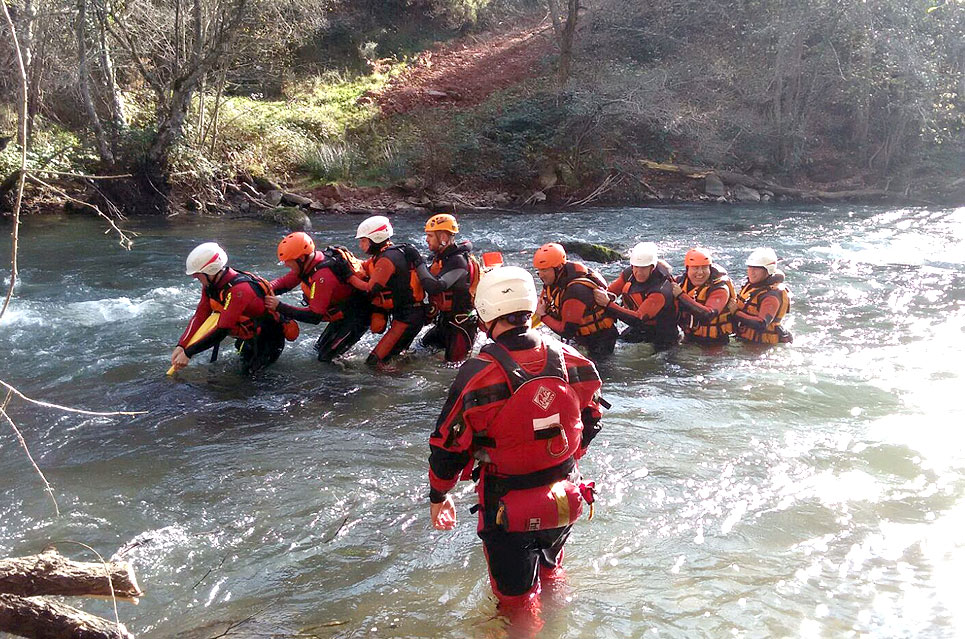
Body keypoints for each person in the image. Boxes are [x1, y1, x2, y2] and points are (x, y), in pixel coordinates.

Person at [428, 266, 605, 630]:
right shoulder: (571, 358)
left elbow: (448, 446)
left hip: (507, 502)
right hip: (563, 492)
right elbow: (592, 417)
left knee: (516, 602)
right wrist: (567, 459)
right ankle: (559, 619)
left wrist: (438, 495)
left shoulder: (479, 373)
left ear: (486, 314)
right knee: (552, 568)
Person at [171, 242, 295, 374]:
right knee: (239, 371)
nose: (194, 277)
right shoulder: (211, 285)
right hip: (250, 336)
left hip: (269, 339)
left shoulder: (239, 290)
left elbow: (223, 330)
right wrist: (182, 345)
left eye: (197, 274)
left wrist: (189, 353)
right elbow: (201, 315)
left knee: (251, 381)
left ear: (211, 270)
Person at [265, 232, 372, 362]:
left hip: (357, 315)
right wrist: (262, 287)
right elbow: (285, 283)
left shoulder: (322, 277)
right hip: (343, 312)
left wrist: (280, 307)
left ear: (301, 259)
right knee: (318, 349)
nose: (286, 265)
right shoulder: (309, 263)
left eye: (288, 261)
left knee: (326, 358)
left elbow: (314, 316)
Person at [347, 215, 428, 366]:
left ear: (375, 239)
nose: (360, 245)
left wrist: (348, 277)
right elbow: (364, 266)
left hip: (408, 318)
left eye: (363, 241)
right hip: (407, 315)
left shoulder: (387, 259)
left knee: (375, 363)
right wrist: (347, 259)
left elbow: (371, 288)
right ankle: (404, 365)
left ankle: (401, 380)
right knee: (386, 358)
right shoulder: (388, 253)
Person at [411, 214, 479, 363]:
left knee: (452, 367)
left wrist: (418, 262)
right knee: (416, 354)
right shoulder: (442, 258)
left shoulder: (458, 261)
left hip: (461, 326)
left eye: (430, 235)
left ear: (443, 237)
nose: (426, 239)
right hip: (445, 323)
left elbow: (436, 287)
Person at [531, 243, 618, 360]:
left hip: (599, 342)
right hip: (581, 339)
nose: (540, 275)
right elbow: (540, 309)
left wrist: (544, 316)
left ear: (559, 268)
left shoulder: (576, 290)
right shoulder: (553, 281)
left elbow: (566, 331)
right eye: (539, 270)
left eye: (545, 270)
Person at [593, 242, 680, 349]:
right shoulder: (628, 274)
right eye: (636, 267)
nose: (639, 272)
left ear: (652, 267)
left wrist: (608, 304)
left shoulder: (660, 290)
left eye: (643, 268)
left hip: (663, 335)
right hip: (641, 328)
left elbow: (638, 319)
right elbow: (610, 292)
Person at [672, 247, 736, 345]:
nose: (700, 272)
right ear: (687, 269)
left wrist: (681, 296)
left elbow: (708, 315)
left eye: (704, 267)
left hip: (715, 343)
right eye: (695, 268)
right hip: (689, 339)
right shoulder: (680, 282)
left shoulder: (720, 288)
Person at [729, 247, 793, 344]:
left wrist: (736, 312)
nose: (751, 272)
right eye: (750, 267)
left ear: (768, 270)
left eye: (756, 269)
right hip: (746, 338)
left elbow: (761, 323)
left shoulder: (771, 296)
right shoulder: (752, 286)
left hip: (762, 345)